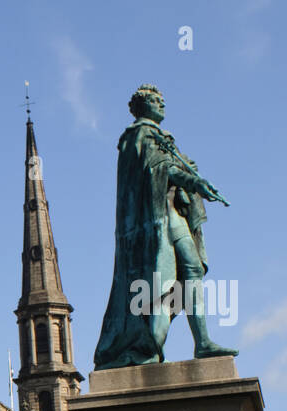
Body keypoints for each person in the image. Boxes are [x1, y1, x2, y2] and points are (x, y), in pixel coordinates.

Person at [93, 84, 237, 369]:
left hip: (173, 213)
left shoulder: (161, 137)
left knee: (192, 271)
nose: (162, 104)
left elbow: (170, 166)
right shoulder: (138, 135)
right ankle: (151, 345)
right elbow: (157, 169)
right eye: (155, 100)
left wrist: (188, 171)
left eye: (162, 100)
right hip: (156, 221)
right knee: (163, 282)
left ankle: (203, 342)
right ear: (141, 105)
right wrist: (192, 180)